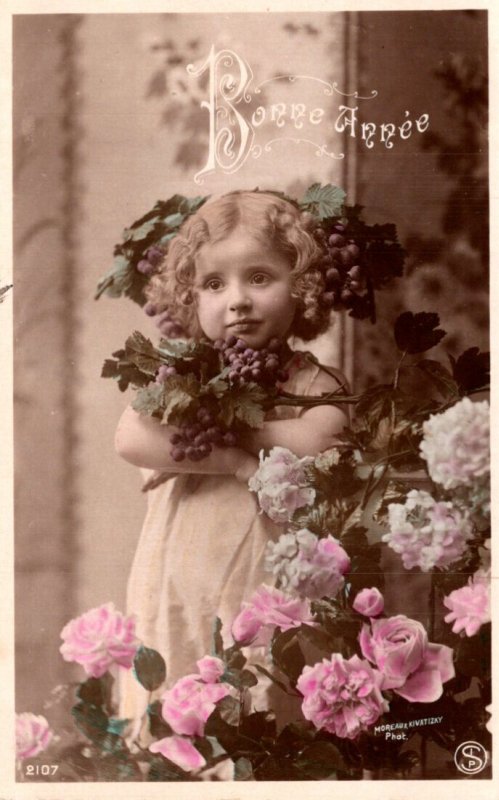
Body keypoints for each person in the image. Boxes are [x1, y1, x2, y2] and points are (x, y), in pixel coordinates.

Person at [115, 190, 348, 740]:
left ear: (302, 287)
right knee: (176, 680)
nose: (237, 300)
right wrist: (236, 460)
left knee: (261, 685)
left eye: (260, 277)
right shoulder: (183, 378)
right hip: (178, 569)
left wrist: (215, 431)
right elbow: (130, 438)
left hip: (271, 571)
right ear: (190, 298)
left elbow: (318, 439)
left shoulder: (312, 384)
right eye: (214, 284)